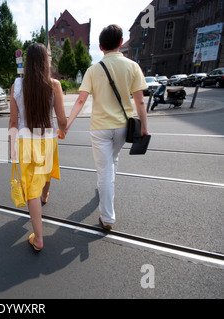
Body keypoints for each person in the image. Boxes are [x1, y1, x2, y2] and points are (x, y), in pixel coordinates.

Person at [64, 25, 149, 230]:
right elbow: (140, 102)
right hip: (122, 127)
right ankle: (106, 191)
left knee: (104, 172)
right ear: (120, 43)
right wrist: (144, 126)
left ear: (101, 47)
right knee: (113, 161)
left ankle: (108, 218)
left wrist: (67, 124)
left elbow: (80, 100)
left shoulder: (93, 70)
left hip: (100, 128)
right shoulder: (132, 66)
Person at [9, 43, 67, 251]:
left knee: (30, 188)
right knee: (45, 172)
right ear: (45, 61)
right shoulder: (54, 85)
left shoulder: (16, 86)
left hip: (26, 140)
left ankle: (39, 239)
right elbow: (61, 118)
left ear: (28, 62)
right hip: (48, 138)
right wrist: (63, 129)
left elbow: (13, 122)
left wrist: (12, 147)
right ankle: (45, 196)